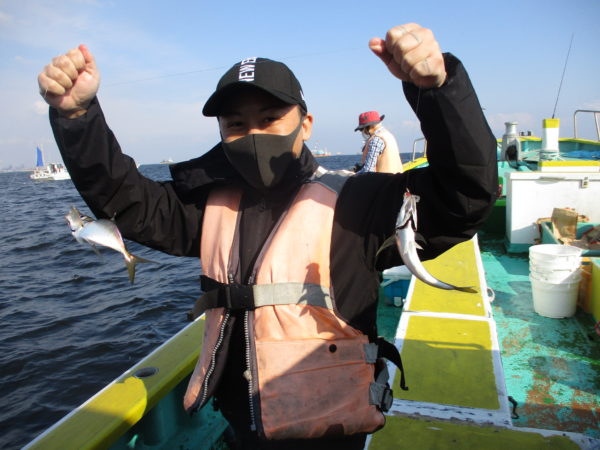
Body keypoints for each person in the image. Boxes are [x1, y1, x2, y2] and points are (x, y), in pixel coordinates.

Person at [38, 23, 498, 449]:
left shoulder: (359, 201)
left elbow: (464, 198)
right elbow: (128, 202)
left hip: (332, 430)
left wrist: (438, 91)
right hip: (241, 423)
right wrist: (77, 117)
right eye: (236, 125)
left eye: (271, 117)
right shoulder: (208, 207)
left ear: (306, 124)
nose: (254, 135)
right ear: (221, 132)